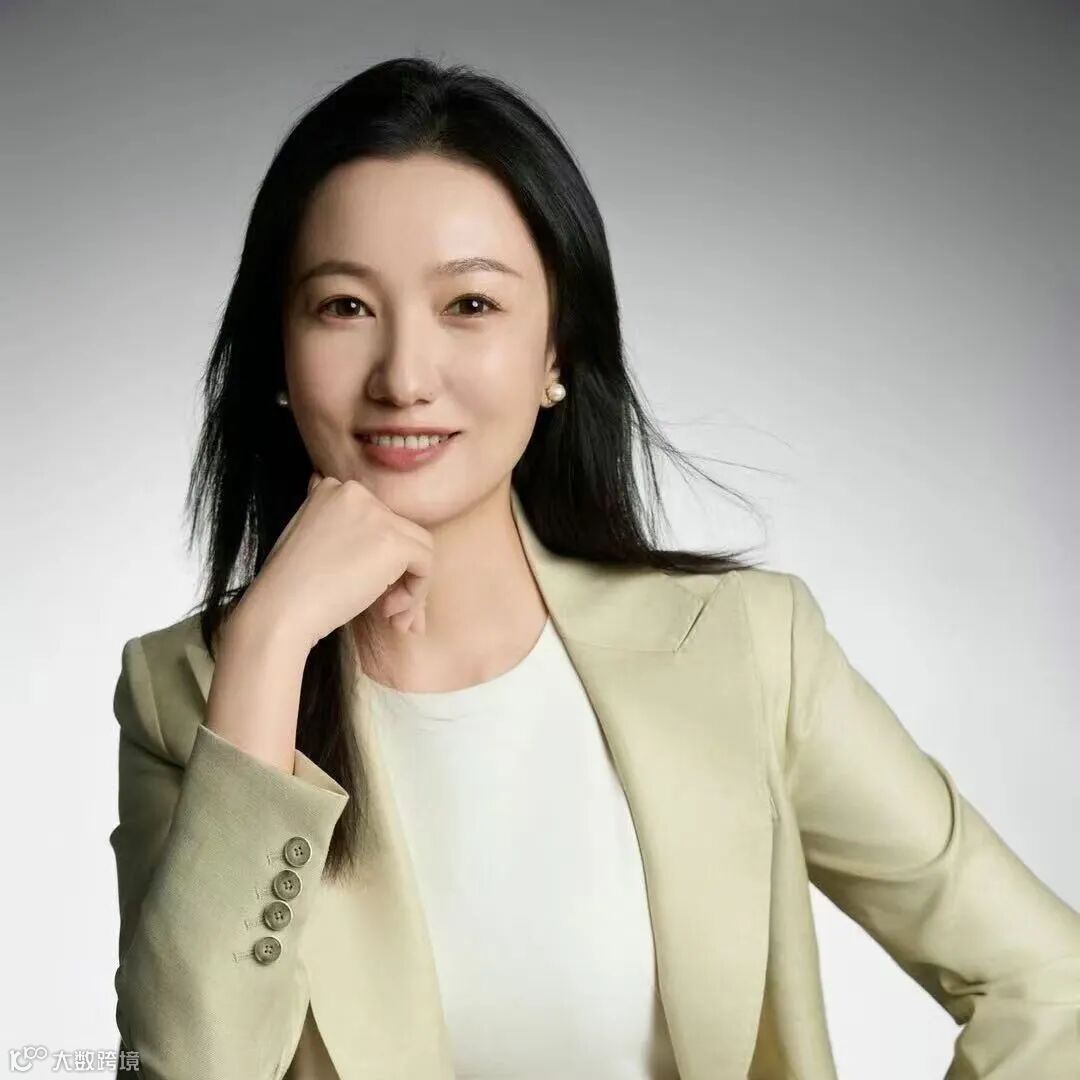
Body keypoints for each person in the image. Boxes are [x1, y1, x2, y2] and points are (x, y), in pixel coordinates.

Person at [108, 57, 1080, 1080]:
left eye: (470, 304)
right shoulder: (189, 693)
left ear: (557, 352)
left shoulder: (746, 649)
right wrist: (268, 643)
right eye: (344, 307)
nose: (404, 377)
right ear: (277, 352)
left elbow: (1049, 986)